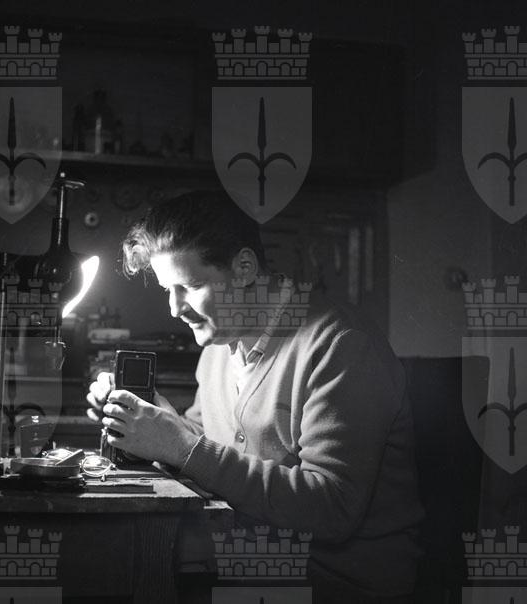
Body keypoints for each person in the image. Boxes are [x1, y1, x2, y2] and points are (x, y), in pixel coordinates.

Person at [87, 191, 424, 603]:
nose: (175, 309)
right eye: (166, 290)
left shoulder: (340, 344)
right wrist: (151, 421)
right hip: (251, 558)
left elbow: (333, 509)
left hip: (340, 582)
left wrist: (180, 446)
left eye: (190, 286)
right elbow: (213, 449)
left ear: (244, 268)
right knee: (114, 561)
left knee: (127, 570)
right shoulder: (218, 345)